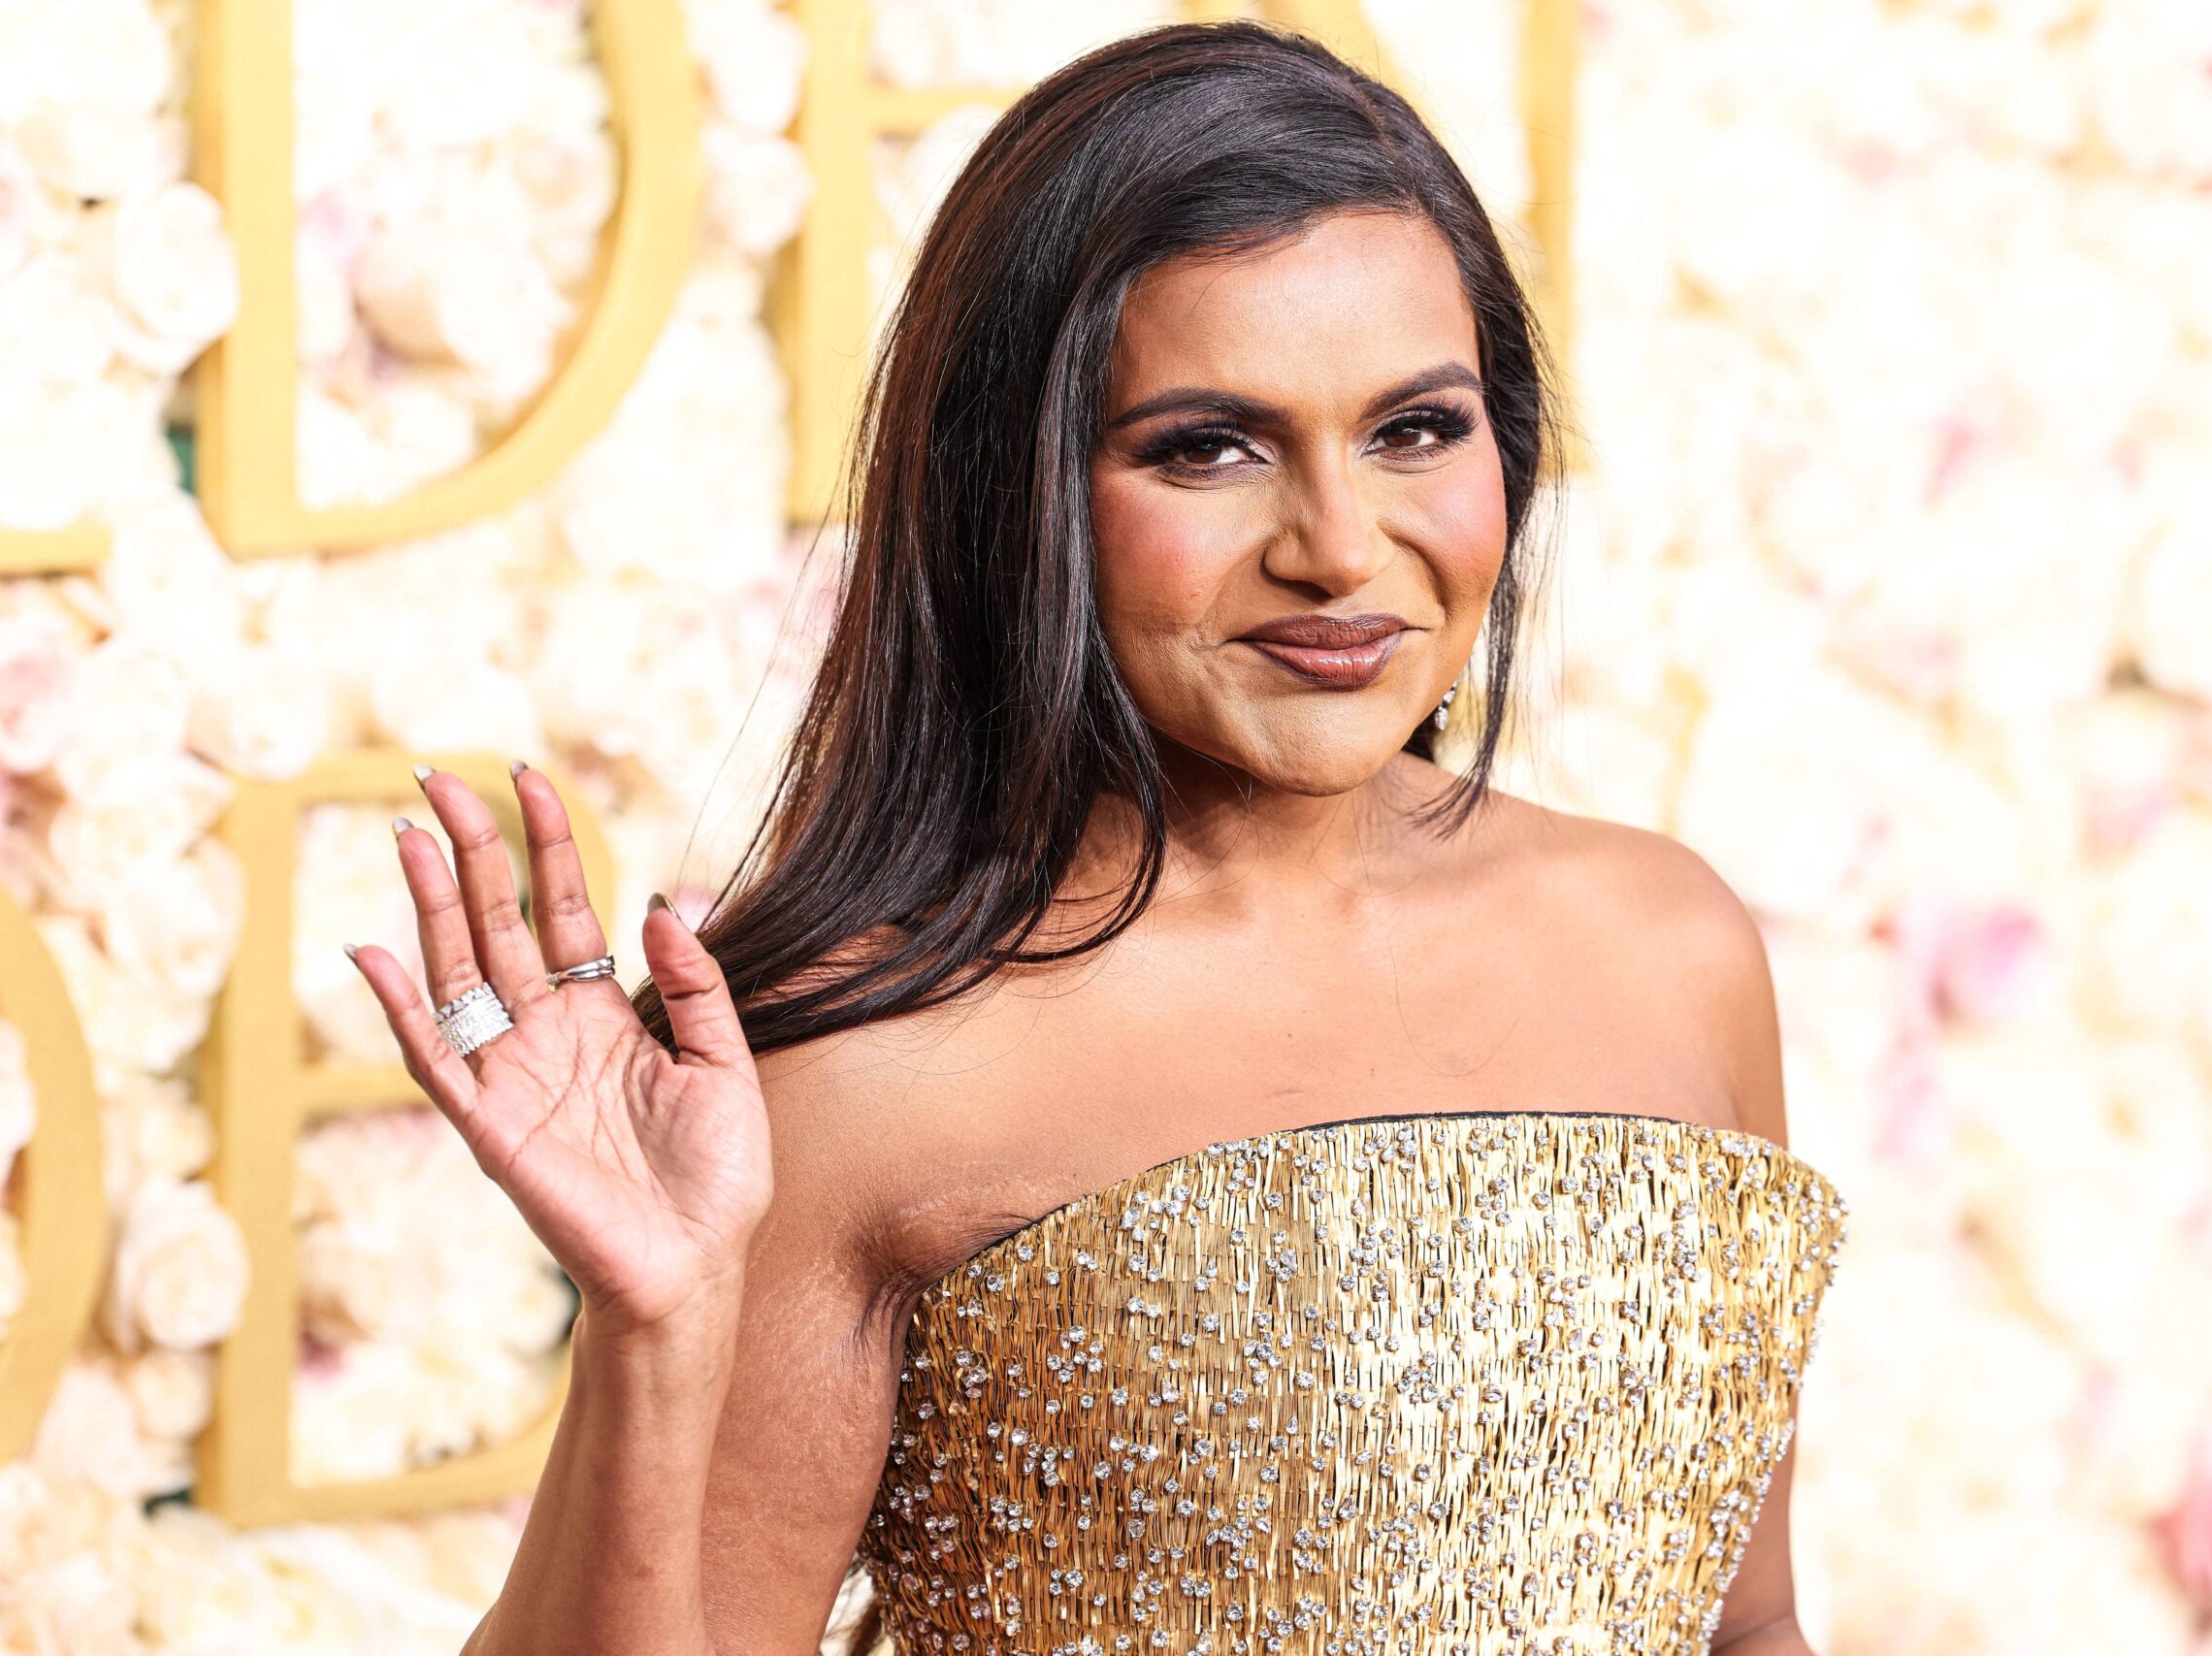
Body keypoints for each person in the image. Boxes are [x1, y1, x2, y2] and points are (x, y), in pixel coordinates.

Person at [343, 19, 1848, 1656]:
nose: (1340, 550)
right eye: (1208, 448)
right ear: (1025, 492)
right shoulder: (864, 1071)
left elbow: (1749, 1631)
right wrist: (660, 1328)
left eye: (1416, 429)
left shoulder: (1670, 951)